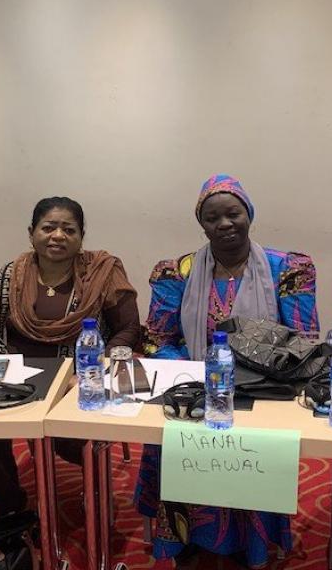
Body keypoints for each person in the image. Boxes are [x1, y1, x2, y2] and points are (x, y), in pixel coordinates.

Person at [136, 174, 319, 568]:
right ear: (202, 224)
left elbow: (303, 344)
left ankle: (249, 544)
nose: (224, 224)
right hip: (194, 388)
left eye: (233, 213)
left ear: (249, 214)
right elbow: (156, 340)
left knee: (254, 443)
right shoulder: (177, 272)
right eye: (213, 217)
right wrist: (188, 375)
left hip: (265, 389)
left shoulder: (287, 269)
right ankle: (187, 539)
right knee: (179, 431)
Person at [0, 196, 141, 516]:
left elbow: (129, 330)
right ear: (31, 233)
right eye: (48, 227)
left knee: (67, 437)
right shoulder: (12, 274)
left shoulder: (102, 272)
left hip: (75, 380)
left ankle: (96, 492)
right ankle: (11, 507)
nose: (57, 235)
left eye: (68, 229)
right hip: (16, 381)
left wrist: (91, 372)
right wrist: (4, 370)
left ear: (81, 236)